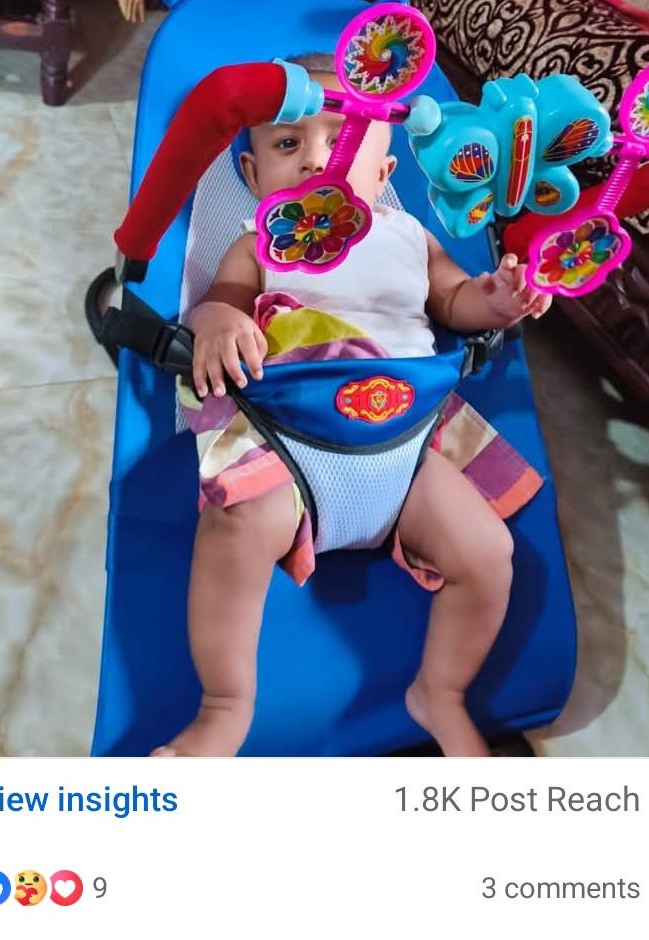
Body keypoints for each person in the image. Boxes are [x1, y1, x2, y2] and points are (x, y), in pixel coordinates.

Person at [152, 54, 551, 760]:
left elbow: (455, 302)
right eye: (287, 143)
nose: (316, 159)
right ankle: (225, 705)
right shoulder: (258, 242)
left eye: (342, 140)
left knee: (489, 552)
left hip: (405, 445)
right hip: (290, 444)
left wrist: (493, 301)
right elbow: (221, 302)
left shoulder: (409, 236)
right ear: (252, 176)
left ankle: (441, 692)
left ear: (385, 170)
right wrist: (217, 321)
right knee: (235, 527)